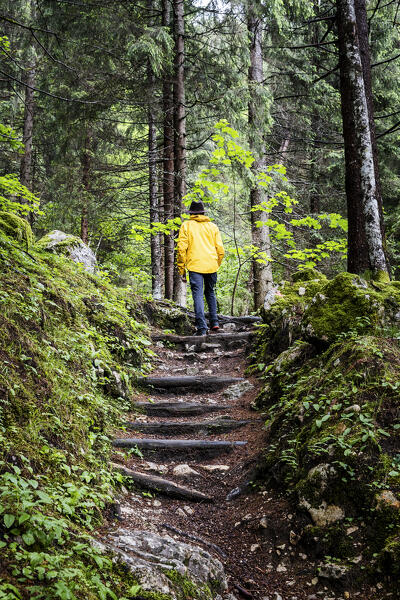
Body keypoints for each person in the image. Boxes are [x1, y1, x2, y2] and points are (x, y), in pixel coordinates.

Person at [177, 200, 225, 336]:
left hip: (195, 265)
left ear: (191, 214)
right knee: (210, 292)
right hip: (211, 265)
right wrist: (216, 264)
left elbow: (181, 249)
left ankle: (202, 327)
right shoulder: (213, 227)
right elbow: (220, 250)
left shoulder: (186, 226)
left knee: (197, 295)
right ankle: (215, 322)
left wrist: (181, 269)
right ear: (203, 212)